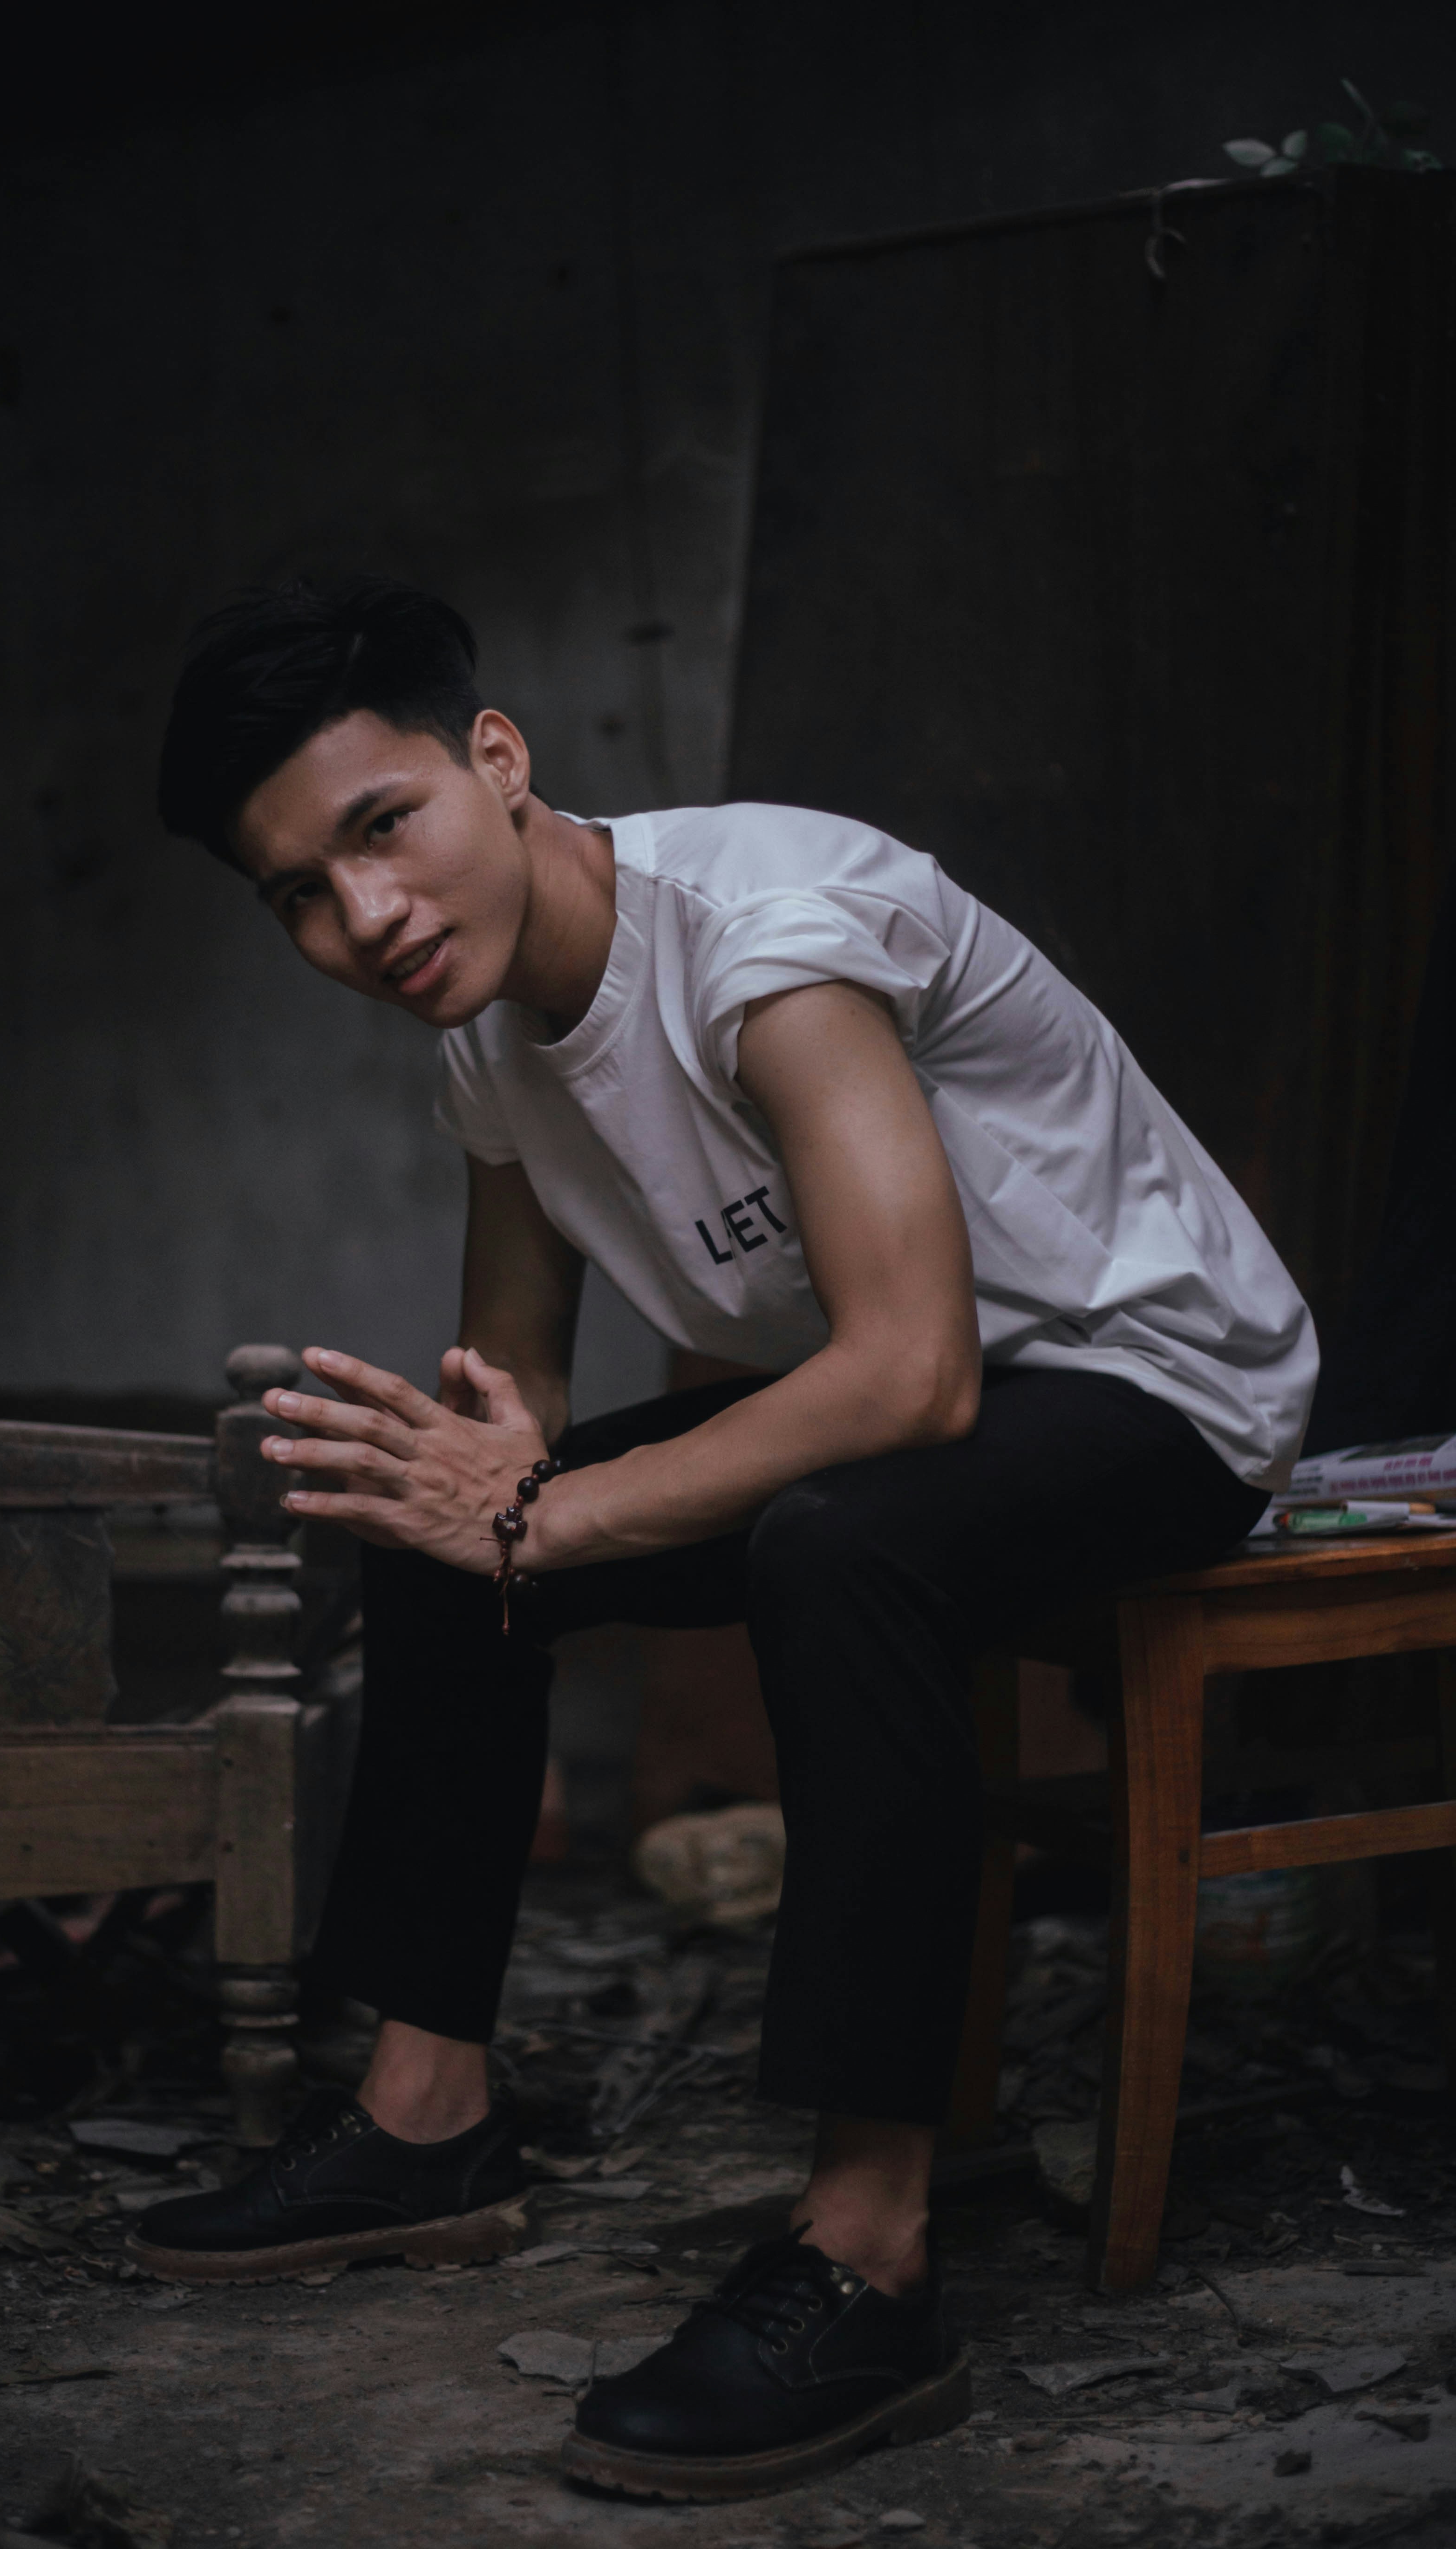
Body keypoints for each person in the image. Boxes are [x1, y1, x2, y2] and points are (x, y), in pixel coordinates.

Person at [134, 574, 1315, 2501]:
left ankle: (867, 2255)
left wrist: (547, 1511)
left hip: (1149, 1378)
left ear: (494, 762)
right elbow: (504, 1407)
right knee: (442, 1531)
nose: (367, 918)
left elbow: (914, 1376)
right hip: (930, 1409)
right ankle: (428, 2118)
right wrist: (484, 1483)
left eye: (381, 827)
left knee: (837, 1545)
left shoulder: (763, 933)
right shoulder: (487, 1058)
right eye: (298, 895)